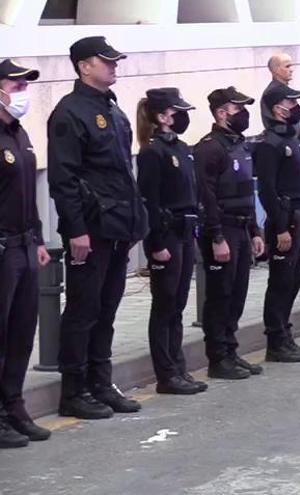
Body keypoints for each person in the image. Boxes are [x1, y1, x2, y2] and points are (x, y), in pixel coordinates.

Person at [48, 36, 148, 419]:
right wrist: (76, 230)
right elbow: (64, 178)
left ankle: (100, 382)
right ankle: (73, 390)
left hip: (117, 222)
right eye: (106, 61)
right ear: (83, 66)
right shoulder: (70, 112)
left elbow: (119, 172)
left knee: (106, 308)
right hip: (91, 227)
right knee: (82, 309)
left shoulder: (110, 107)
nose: (114, 66)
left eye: (115, 61)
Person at [135, 88, 206, 395]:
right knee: (164, 305)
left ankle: (177, 367)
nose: (183, 118)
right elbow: (149, 201)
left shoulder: (180, 147)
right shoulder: (153, 151)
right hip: (166, 234)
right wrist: (155, 244)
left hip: (185, 232)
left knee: (177, 304)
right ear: (162, 116)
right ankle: (166, 373)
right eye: (177, 113)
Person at [194, 86, 265, 379]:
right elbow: (206, 197)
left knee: (236, 295)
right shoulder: (209, 148)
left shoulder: (240, 145)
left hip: (241, 228)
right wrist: (216, 236)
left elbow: (248, 194)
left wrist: (255, 230)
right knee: (220, 295)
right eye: (238, 109)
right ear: (222, 113)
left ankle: (231, 351)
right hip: (222, 229)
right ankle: (218, 358)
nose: (244, 114)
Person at [0, 59, 52, 447]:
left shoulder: (18, 134)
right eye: (16, 87)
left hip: (23, 245)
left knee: (21, 332)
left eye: (24, 87)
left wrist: (36, 239)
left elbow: (27, 193)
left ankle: (14, 405)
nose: (23, 94)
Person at [254, 83, 300, 363]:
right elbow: (267, 189)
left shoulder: (293, 138)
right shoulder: (270, 144)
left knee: (293, 279)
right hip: (285, 221)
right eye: (291, 103)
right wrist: (279, 227)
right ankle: (276, 339)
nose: (296, 108)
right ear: (278, 108)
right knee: (280, 282)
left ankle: (286, 334)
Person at [260, 53, 296, 129]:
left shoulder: (286, 90)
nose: (291, 70)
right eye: (287, 66)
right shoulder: (272, 93)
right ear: (275, 70)